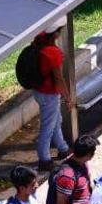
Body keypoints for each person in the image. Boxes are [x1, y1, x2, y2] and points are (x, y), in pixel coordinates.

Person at [32, 17, 72, 172]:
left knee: (55, 120)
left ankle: (63, 147)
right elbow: (59, 78)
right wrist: (68, 97)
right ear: (55, 34)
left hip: (38, 91)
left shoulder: (38, 41)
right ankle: (44, 159)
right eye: (59, 31)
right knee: (47, 127)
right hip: (49, 94)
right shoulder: (53, 53)